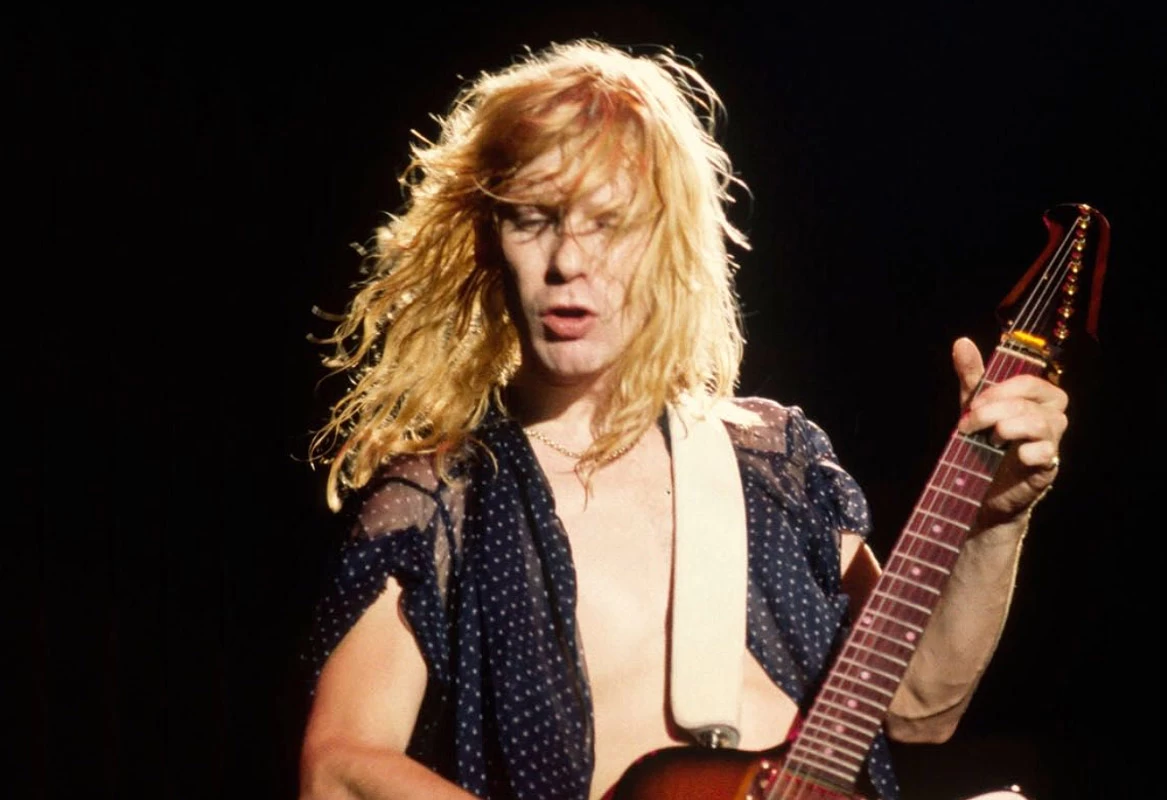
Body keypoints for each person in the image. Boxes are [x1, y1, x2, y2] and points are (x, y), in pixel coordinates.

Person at [297, 39, 1066, 800]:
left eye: (609, 223)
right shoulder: (445, 499)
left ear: (667, 242)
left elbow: (920, 709)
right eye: (532, 219)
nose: (568, 262)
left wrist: (997, 521)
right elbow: (338, 770)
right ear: (489, 238)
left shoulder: (776, 460)